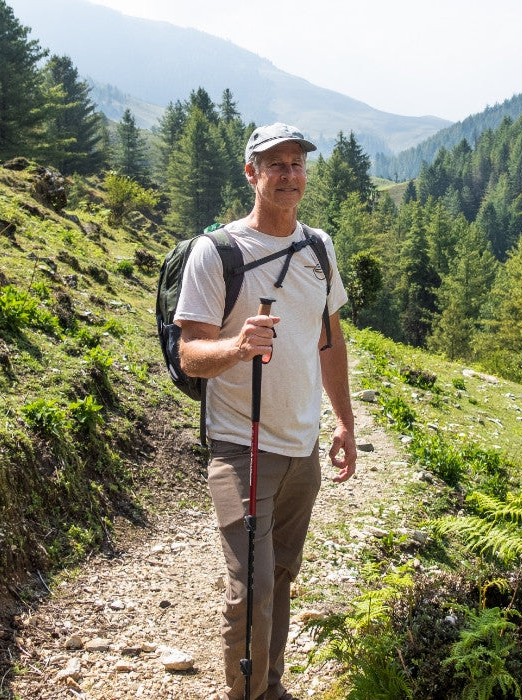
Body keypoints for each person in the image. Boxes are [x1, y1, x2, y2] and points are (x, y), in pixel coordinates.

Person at [174, 123, 357, 700]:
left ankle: (269, 688)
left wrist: (346, 421)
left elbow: (330, 339)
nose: (288, 175)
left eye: (296, 164)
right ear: (250, 174)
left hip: (302, 450)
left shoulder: (319, 248)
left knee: (279, 577)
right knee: (250, 589)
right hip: (239, 447)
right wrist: (237, 347)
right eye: (274, 165)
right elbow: (189, 353)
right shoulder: (218, 253)